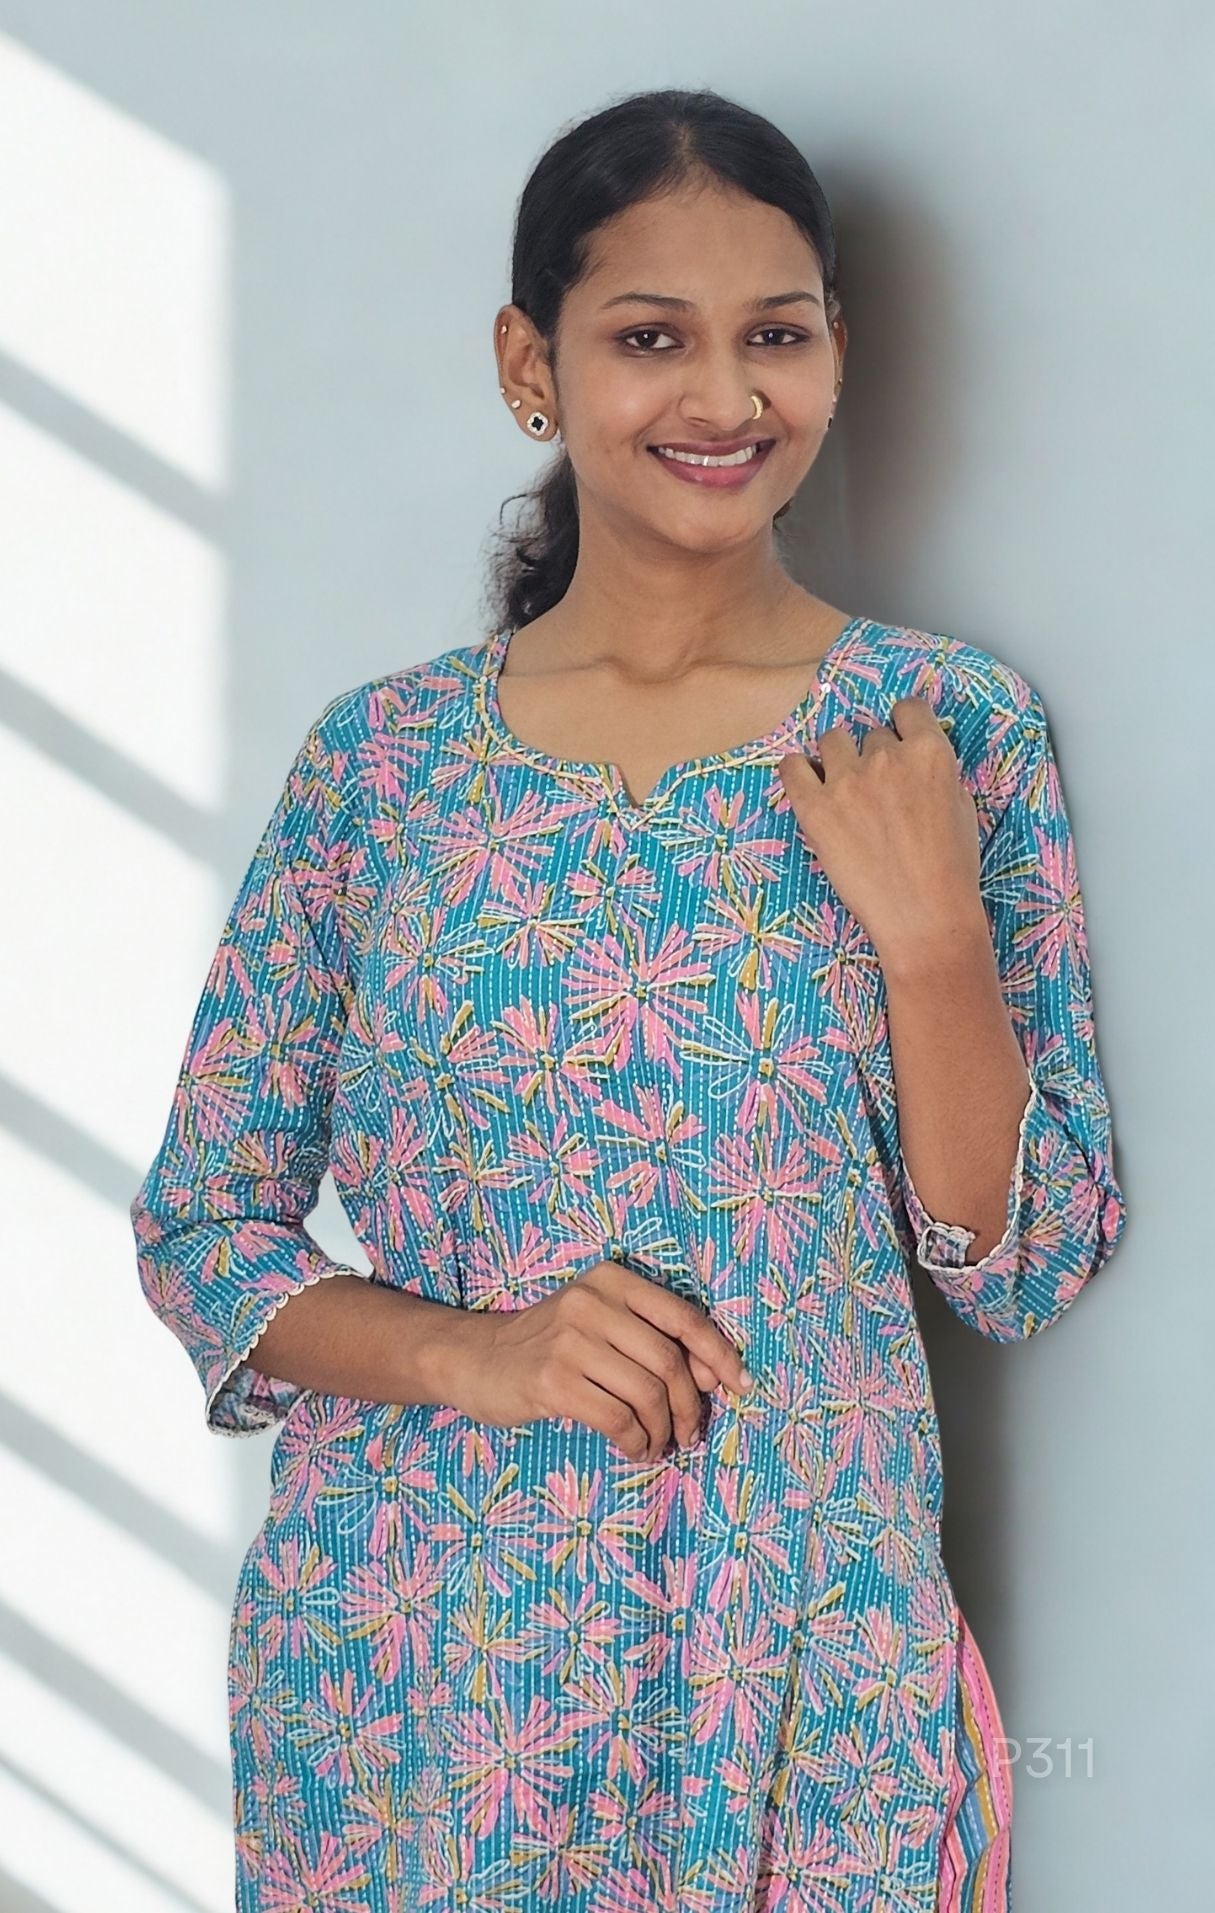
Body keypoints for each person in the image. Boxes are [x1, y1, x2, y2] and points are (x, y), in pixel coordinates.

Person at [130, 86, 1127, 1913]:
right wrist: (479, 1352)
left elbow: (1021, 1256)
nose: (725, 398)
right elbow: (203, 1229)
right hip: (421, 1669)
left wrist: (930, 940)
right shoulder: (384, 766)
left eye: (779, 334)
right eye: (651, 337)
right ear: (533, 362)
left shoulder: (937, 730)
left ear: (839, 352)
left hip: (801, 1674)